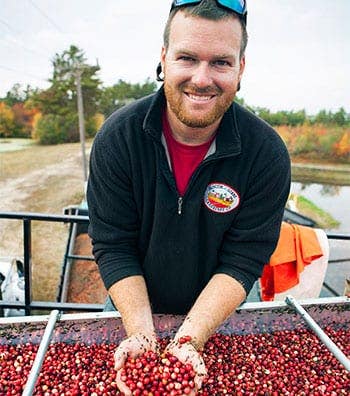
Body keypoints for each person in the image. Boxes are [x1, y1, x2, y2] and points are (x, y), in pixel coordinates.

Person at [87, 0, 291, 393]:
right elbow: (113, 245)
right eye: (187, 58)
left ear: (241, 68)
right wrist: (143, 335)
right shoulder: (118, 138)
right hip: (132, 308)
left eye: (221, 62)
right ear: (163, 58)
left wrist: (188, 339)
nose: (202, 78)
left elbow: (244, 259)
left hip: (221, 313)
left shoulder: (266, 154)